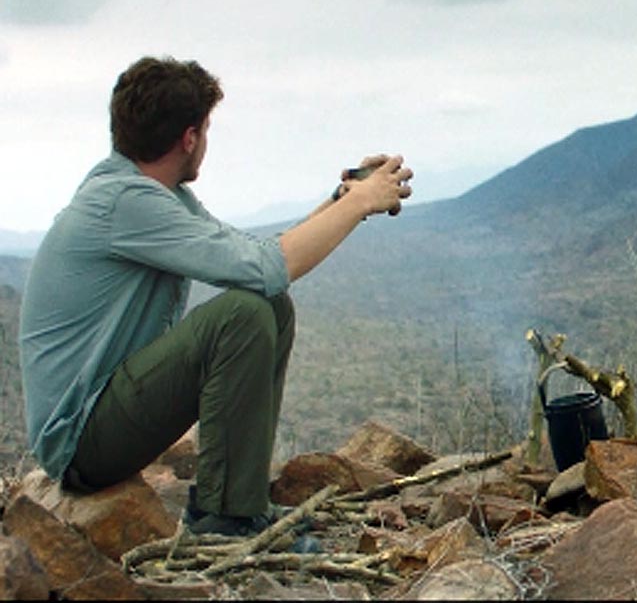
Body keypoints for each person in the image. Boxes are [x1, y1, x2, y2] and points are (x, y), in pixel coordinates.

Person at [18, 56, 413, 536]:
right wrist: (361, 202)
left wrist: (342, 198)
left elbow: (256, 258)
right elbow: (272, 267)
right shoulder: (126, 202)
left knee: (268, 305)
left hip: (103, 422)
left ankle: (241, 502)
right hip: (80, 443)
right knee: (243, 314)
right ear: (189, 138)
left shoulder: (152, 195)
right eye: (205, 130)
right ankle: (227, 519)